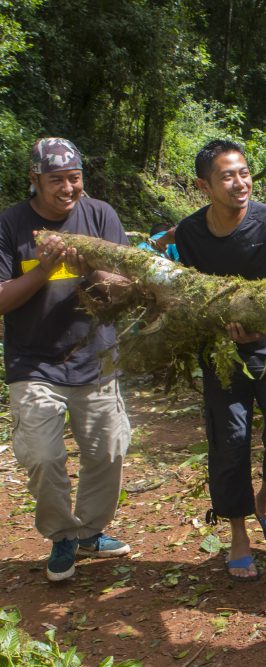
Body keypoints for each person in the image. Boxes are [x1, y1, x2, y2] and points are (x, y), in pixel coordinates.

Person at [0, 138, 133, 582]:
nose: (67, 188)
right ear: (34, 180)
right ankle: (61, 536)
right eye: (55, 180)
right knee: (41, 455)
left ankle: (90, 532)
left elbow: (122, 290)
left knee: (108, 450)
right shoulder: (11, 224)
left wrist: (91, 268)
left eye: (74, 178)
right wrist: (43, 268)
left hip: (96, 358)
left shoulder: (100, 216)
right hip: (33, 362)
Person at [174, 139, 266, 582]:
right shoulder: (189, 233)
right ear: (204, 186)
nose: (240, 182)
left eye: (244, 172)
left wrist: (257, 320)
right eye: (227, 175)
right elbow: (190, 293)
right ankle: (237, 536)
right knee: (229, 443)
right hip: (222, 354)